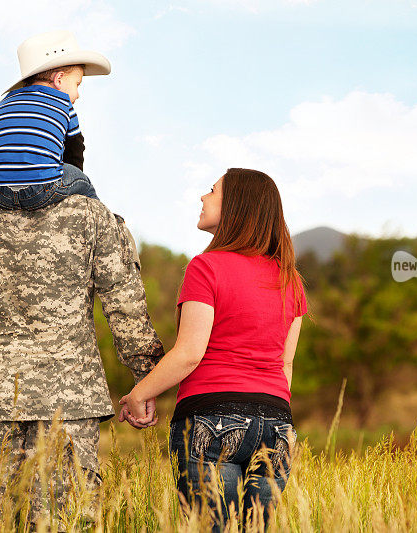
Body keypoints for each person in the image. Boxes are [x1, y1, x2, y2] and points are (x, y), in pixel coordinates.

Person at [0, 193, 163, 529]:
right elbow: (125, 309)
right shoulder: (92, 215)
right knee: (61, 522)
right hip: (67, 405)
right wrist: (148, 380)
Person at [119, 168, 307, 531]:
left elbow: (190, 352)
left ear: (237, 205)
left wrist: (139, 393)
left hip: (212, 417)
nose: (203, 198)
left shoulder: (206, 267)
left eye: (212, 191)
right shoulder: (290, 279)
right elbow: (286, 365)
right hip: (277, 425)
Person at [0, 30, 111, 210]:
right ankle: (102, 217)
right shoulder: (63, 103)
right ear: (59, 79)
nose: (78, 94)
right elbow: (75, 150)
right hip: (40, 191)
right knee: (82, 181)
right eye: (77, 84)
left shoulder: (4, 102)